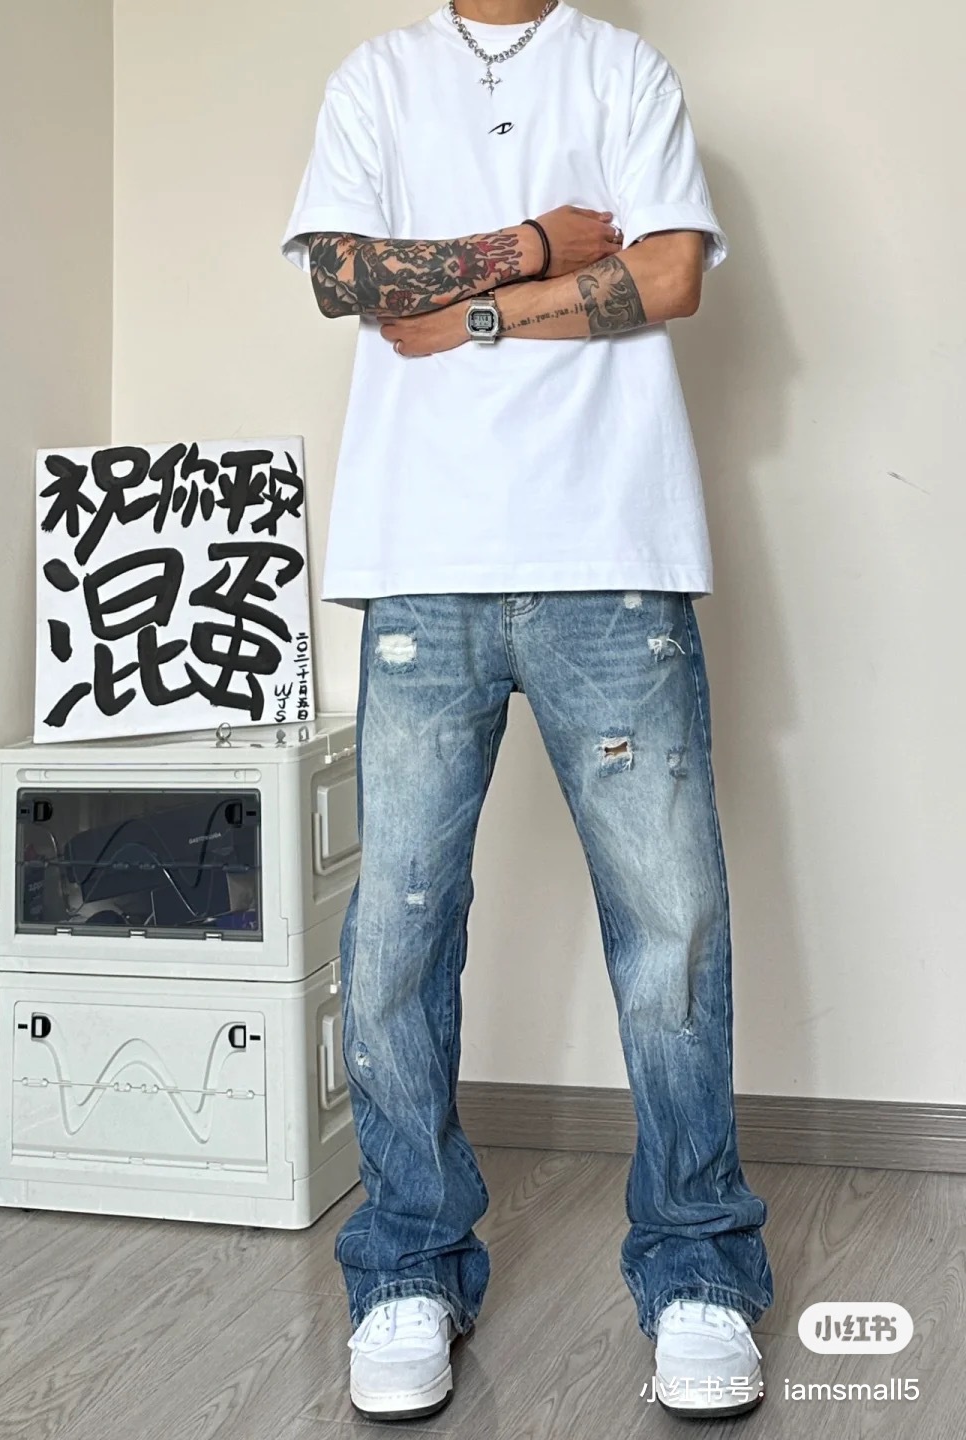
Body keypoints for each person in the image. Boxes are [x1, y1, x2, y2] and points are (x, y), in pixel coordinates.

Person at [280, 0, 773, 1422]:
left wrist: (478, 310)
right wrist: (539, 242)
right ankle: (408, 1268)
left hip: (611, 554)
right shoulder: (376, 79)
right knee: (397, 934)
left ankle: (698, 1269)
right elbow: (345, 278)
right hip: (420, 562)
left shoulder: (622, 70)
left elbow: (670, 272)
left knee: (671, 921)